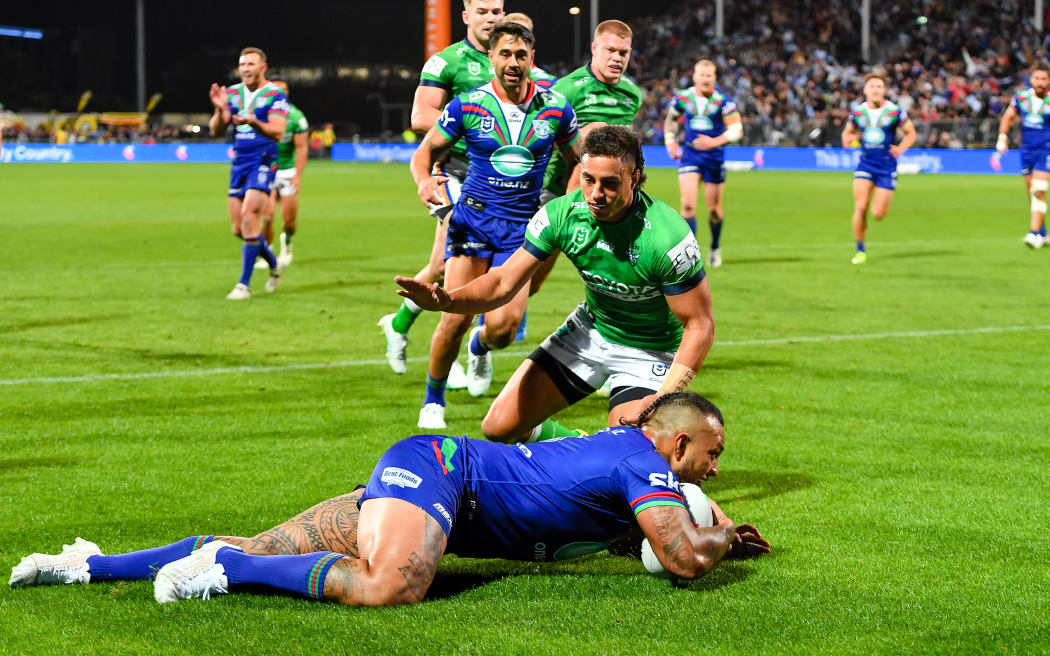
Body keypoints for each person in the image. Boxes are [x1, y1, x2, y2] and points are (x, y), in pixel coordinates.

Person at [10, 392, 769, 607]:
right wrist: (722, 534)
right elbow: (681, 559)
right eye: (713, 455)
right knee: (392, 585)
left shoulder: (628, 472)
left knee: (275, 542)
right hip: (445, 474)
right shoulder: (647, 461)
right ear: (678, 444)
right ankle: (223, 571)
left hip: (434, 483)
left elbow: (632, 534)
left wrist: (710, 527)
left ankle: (87, 566)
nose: (715, 469)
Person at [398, 126, 713, 444]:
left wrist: (663, 397)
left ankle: (612, 453)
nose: (595, 193)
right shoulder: (562, 214)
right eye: (589, 179)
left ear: (635, 177)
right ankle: (580, 445)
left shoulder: (668, 237)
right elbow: (502, 282)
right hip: (590, 331)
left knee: (624, 450)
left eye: (610, 183)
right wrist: (448, 300)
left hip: (650, 351)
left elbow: (700, 326)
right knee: (499, 428)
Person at [407, 22, 580, 430]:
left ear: (531, 60)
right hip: (473, 222)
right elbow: (424, 154)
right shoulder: (467, 105)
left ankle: (481, 346)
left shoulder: (556, 108)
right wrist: (424, 180)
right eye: (505, 54)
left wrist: (576, 198)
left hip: (522, 228)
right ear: (491, 58)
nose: (513, 63)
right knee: (454, 314)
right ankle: (434, 399)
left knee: (503, 328)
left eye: (521, 55)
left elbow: (579, 160)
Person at [378, 0, 505, 380]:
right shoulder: (445, 62)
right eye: (482, 11)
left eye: (497, 10)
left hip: (498, 181)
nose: (491, 18)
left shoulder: (513, 61)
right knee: (461, 264)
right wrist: (482, 128)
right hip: (452, 173)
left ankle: (399, 324)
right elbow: (420, 116)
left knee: (439, 266)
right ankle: (449, 354)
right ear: (465, 16)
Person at [209, 47, 290, 299]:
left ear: (263, 67)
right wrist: (219, 110)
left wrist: (253, 121)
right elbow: (215, 131)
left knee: (249, 216)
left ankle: (243, 285)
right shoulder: (231, 93)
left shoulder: (275, 95)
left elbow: (277, 132)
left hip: (264, 159)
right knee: (239, 229)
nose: (246, 68)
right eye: (243, 64)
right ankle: (274, 264)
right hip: (239, 162)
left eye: (251, 64)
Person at [664, 59, 743, 268]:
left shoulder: (723, 101)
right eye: (702, 75)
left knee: (714, 209)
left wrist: (714, 142)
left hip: (714, 157)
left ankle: (715, 247)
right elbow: (671, 119)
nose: (705, 79)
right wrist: (670, 140)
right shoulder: (683, 98)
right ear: (694, 76)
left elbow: (737, 130)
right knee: (688, 205)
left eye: (709, 75)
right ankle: (692, 255)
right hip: (690, 154)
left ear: (714, 78)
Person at [840, 72, 916, 265]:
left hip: (886, 166)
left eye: (879, 86)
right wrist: (850, 141)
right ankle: (860, 249)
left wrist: (901, 148)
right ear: (865, 90)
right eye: (872, 86)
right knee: (860, 206)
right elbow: (847, 134)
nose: (875, 89)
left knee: (878, 214)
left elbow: (911, 133)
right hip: (865, 164)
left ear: (884, 90)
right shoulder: (858, 113)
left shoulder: (894, 111)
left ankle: (863, 243)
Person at [255, 76, 308, 270]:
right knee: (267, 217)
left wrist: (297, 175)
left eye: (284, 90)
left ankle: (287, 246)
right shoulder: (261, 114)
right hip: (268, 170)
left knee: (289, 221)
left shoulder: (296, 116)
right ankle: (267, 255)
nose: (282, 93)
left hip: (287, 172)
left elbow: (302, 147)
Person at [996, 62, 1050, 249]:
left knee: (1039, 189)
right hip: (1027, 149)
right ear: (1031, 79)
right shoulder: (1021, 98)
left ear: (1049, 80)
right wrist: (1002, 138)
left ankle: (1033, 233)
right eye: (1037, 78)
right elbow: (1008, 117)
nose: (1040, 82)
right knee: (1031, 192)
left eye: (1044, 79)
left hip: (1047, 149)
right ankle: (1043, 232)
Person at [503, 12, 558, 90]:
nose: (518, 38)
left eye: (524, 34)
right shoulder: (484, 77)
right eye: (512, 33)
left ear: (532, 39)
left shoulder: (548, 82)